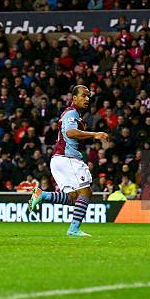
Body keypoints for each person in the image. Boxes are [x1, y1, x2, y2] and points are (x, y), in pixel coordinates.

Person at [28, 85, 109, 237]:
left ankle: (42, 195)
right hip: (68, 158)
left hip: (59, 159)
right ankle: (73, 230)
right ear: (74, 98)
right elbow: (70, 132)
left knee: (74, 198)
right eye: (83, 96)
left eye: (88, 96)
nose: (87, 99)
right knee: (86, 192)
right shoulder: (71, 113)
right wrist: (95, 134)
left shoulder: (73, 114)